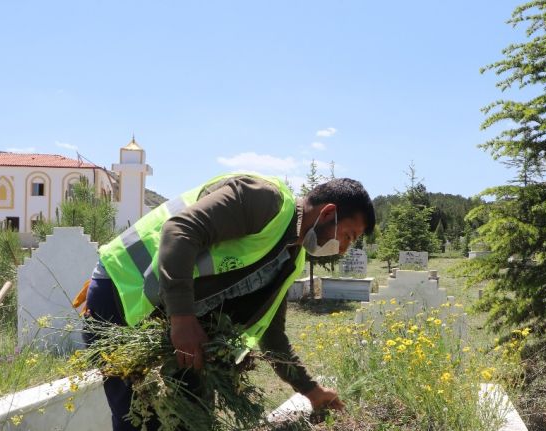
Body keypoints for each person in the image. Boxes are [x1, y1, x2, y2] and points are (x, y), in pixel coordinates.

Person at [82, 172, 376, 430]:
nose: (342, 250)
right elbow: (179, 230)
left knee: (192, 416)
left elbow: (272, 335)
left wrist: (310, 390)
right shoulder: (264, 200)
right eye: (348, 236)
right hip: (120, 292)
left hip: (167, 320)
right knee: (139, 417)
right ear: (327, 214)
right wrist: (182, 319)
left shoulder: (290, 258)